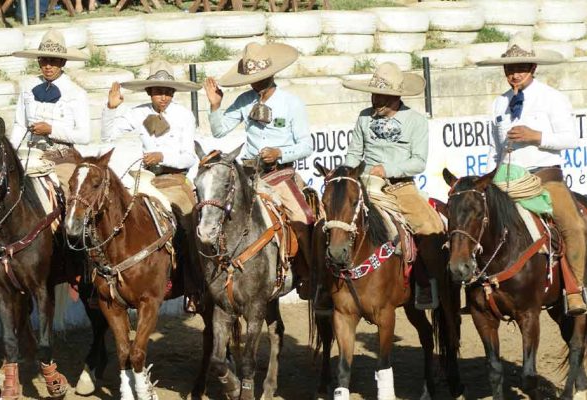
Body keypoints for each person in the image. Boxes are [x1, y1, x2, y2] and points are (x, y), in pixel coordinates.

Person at [477, 32, 587, 315]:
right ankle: (474, 284)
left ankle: (575, 290)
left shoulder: (552, 98)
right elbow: (494, 147)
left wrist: (535, 135)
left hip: (544, 178)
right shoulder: (499, 103)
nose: (514, 74)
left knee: (573, 225)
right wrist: (491, 174)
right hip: (505, 178)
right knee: (473, 220)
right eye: (510, 69)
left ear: (533, 68)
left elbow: (570, 139)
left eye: (521, 68)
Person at [204, 42, 315, 300]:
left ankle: (311, 273)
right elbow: (219, 130)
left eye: (259, 77)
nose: (255, 83)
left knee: (303, 216)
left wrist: (280, 153)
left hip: (280, 174)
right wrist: (215, 106)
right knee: (214, 210)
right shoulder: (244, 101)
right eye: (251, 79)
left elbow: (306, 145)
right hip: (249, 174)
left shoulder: (291, 103)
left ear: (271, 73)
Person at [340, 61, 444, 309]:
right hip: (364, 183)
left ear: (396, 97)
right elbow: (354, 153)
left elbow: (418, 162)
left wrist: (388, 170)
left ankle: (426, 282)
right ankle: (325, 284)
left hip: (400, 186)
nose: (376, 100)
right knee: (332, 221)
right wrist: (347, 174)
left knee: (429, 227)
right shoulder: (364, 117)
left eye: (382, 96)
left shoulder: (416, 121)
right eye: (375, 94)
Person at [101, 59, 203, 313]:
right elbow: (108, 134)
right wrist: (111, 109)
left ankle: (193, 287)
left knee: (189, 224)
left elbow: (190, 156)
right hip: (147, 178)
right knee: (121, 216)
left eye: (168, 92)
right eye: (158, 91)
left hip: (176, 179)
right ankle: (108, 282)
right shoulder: (138, 112)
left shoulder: (184, 115)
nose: (163, 97)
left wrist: (163, 157)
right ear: (149, 92)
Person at [10, 29, 90, 198]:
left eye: (53, 61)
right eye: (44, 60)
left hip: (61, 155)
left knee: (72, 193)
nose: (48, 66)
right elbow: (19, 123)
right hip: (30, 151)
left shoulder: (76, 93)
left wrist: (51, 130)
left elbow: (84, 135)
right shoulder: (27, 87)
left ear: (62, 62)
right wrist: (12, 151)